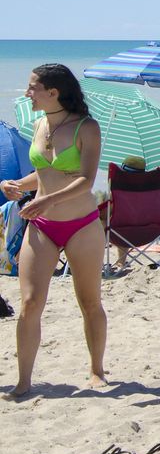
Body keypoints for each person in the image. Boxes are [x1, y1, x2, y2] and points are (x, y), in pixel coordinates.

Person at [1, 64, 108, 398]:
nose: (27, 92)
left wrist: (47, 201)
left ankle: (96, 370)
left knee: (89, 301)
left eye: (33, 87)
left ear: (53, 92)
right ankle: (24, 381)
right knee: (30, 303)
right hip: (42, 224)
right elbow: (43, 172)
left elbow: (85, 181)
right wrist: (17, 184)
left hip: (82, 225)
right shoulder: (39, 125)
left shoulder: (86, 128)